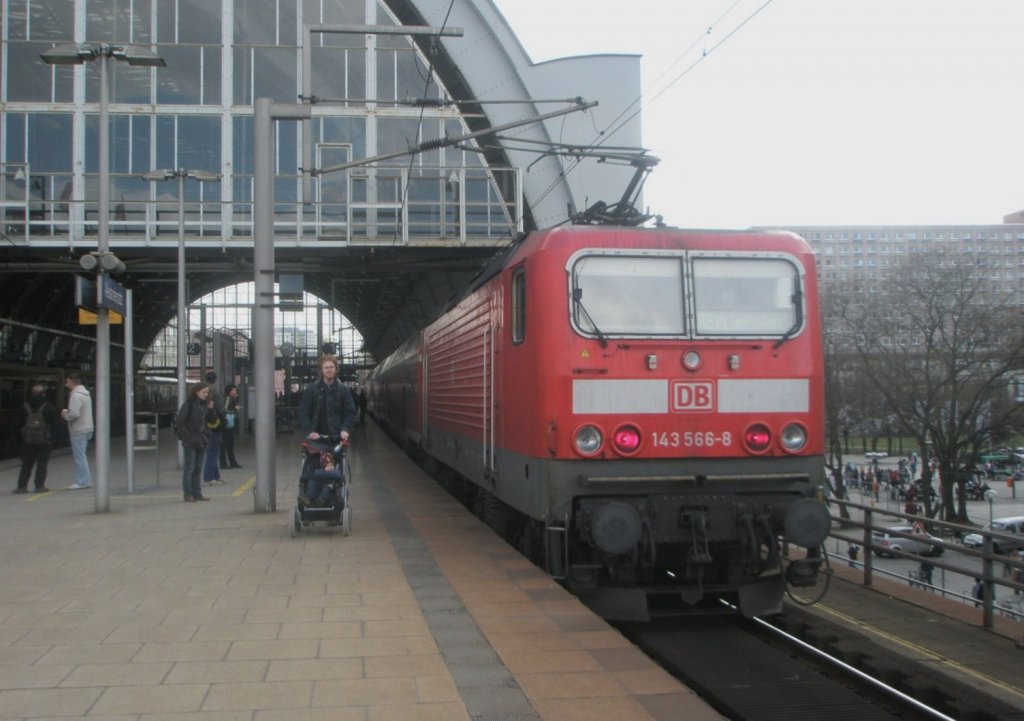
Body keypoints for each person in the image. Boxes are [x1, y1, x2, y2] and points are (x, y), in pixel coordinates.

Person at [298, 355, 357, 444]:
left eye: (331, 367)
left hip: (338, 439)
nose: (329, 370)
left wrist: (345, 429)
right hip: (316, 440)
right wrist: (310, 431)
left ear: (336, 369)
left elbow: (351, 412)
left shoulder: (344, 390)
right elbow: (303, 412)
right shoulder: (312, 389)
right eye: (326, 367)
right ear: (321, 370)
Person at [14, 384, 58, 493]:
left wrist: (20, 441)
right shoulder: (48, 407)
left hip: (27, 441)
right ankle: (39, 486)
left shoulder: (24, 407)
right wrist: (52, 439)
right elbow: (55, 424)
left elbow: (17, 425)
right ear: (43, 394)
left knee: (26, 464)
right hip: (44, 441)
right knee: (42, 464)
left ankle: (21, 486)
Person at [175, 383, 216, 502]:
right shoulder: (189, 405)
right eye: (204, 392)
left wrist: (211, 409)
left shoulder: (205, 406)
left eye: (207, 392)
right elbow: (180, 421)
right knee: (190, 468)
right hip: (190, 441)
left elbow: (213, 420)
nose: (206, 394)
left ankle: (197, 493)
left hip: (202, 440)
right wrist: (187, 436)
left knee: (198, 468)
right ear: (197, 392)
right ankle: (188, 493)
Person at [61, 372, 94, 490]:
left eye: (67, 382)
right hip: (87, 427)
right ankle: (85, 480)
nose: (66, 384)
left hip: (78, 429)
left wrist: (65, 414)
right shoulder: (86, 394)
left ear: (72, 381)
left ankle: (82, 481)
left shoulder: (75, 396)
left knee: (79, 456)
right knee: (81, 455)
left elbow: (74, 413)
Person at [202, 371, 225, 486]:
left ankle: (215, 476)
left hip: (206, 424)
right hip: (214, 423)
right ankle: (209, 476)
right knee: (212, 451)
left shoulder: (203, 390)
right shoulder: (214, 392)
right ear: (215, 379)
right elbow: (220, 408)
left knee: (213, 450)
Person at [220, 384, 242, 469]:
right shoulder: (227, 399)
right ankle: (224, 463)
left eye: (235, 390)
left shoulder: (232, 399)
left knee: (230, 444)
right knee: (225, 445)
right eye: (233, 390)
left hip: (230, 424)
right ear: (229, 391)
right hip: (227, 424)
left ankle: (232, 462)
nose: (235, 392)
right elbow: (224, 410)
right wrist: (234, 409)